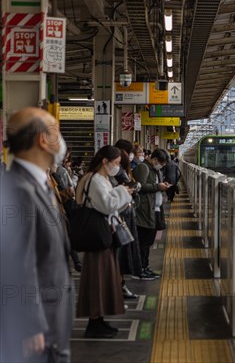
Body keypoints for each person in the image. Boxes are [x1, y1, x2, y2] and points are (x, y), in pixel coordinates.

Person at [1, 107, 73, 362]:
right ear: (43, 140)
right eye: (57, 131)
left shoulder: (38, 184)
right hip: (37, 330)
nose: (61, 140)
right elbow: (17, 262)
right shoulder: (18, 190)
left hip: (51, 321)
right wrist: (29, 324)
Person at [75, 145, 133, 338]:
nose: (117, 167)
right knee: (97, 280)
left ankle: (98, 320)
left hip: (102, 236)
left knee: (103, 279)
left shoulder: (102, 179)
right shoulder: (97, 181)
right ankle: (94, 322)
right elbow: (108, 206)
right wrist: (123, 191)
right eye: (115, 163)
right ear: (104, 161)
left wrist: (122, 193)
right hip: (97, 238)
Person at [113, 139, 143, 298]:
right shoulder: (116, 171)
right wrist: (134, 187)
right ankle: (117, 286)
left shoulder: (118, 169)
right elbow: (128, 186)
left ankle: (120, 285)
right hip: (118, 218)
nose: (132, 156)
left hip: (122, 216)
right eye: (131, 152)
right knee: (120, 254)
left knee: (122, 254)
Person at [132, 149, 170, 280]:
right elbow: (139, 187)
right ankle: (140, 269)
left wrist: (160, 186)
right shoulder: (143, 167)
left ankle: (145, 267)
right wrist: (157, 187)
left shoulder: (154, 170)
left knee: (148, 241)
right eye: (161, 163)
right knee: (144, 241)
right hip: (144, 210)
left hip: (152, 210)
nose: (162, 166)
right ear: (154, 159)